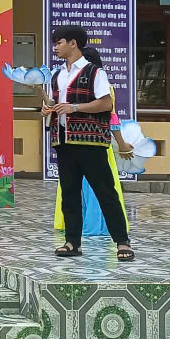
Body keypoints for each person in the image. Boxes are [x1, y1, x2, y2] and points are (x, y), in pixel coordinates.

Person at [44, 25, 134, 262]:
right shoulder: (57, 75)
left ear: (73, 43)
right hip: (63, 140)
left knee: (105, 192)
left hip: (91, 141)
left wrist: (74, 107)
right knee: (70, 193)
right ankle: (72, 242)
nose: (56, 47)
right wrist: (48, 110)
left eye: (59, 42)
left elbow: (105, 104)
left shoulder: (95, 72)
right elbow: (56, 104)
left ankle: (122, 241)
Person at [54, 98, 129, 239]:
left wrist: (122, 144)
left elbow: (111, 116)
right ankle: (74, 232)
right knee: (72, 190)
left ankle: (111, 232)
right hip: (70, 143)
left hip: (95, 143)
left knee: (99, 188)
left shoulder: (103, 90)